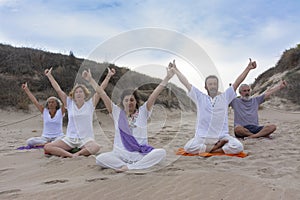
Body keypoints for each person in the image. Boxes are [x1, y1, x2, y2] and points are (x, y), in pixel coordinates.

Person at [93, 67, 174, 172]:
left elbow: (154, 95)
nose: (129, 102)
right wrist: (97, 78)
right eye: (126, 100)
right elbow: (102, 94)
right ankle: (133, 166)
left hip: (139, 154)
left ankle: (130, 167)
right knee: (100, 159)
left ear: (136, 101)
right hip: (120, 155)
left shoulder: (143, 112)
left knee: (161, 153)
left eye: (132, 100)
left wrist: (167, 78)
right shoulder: (117, 112)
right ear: (122, 102)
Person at [170, 59, 257, 154]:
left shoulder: (225, 97)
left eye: (215, 84)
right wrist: (175, 70)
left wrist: (248, 68)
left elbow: (237, 82)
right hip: (203, 137)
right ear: (205, 87)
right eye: (210, 84)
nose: (212, 86)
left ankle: (213, 149)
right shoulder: (200, 97)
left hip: (222, 136)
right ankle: (218, 148)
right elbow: (186, 83)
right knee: (188, 147)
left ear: (217, 86)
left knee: (238, 147)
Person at [43, 67, 112, 157]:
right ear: (73, 95)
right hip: (70, 139)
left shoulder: (90, 104)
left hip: (86, 139)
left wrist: (108, 76)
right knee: (47, 147)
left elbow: (100, 90)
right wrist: (49, 76)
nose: (79, 93)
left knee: (96, 147)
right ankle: (70, 155)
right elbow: (58, 89)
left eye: (81, 92)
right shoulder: (69, 103)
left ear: (85, 94)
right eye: (76, 92)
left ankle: (78, 153)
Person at [21, 82, 65, 147]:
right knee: (29, 141)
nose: (51, 103)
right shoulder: (44, 111)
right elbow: (34, 101)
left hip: (58, 137)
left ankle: (47, 144)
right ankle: (48, 144)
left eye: (53, 102)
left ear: (56, 104)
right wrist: (26, 90)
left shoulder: (60, 112)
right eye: (49, 102)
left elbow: (66, 101)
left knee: (64, 139)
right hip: (45, 138)